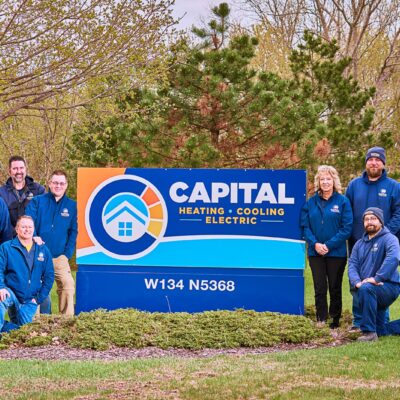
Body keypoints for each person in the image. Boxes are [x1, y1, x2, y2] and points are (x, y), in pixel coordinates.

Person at [346, 146, 400, 328]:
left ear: (383, 164)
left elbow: (399, 212)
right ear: (366, 162)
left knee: (379, 280)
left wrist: (385, 233)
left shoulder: (393, 186)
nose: (374, 162)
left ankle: (380, 321)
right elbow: (347, 212)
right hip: (358, 243)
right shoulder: (354, 185)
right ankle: (358, 320)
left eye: (378, 160)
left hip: (383, 243)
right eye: (371, 159)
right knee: (358, 281)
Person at [301, 165, 353, 328]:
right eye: (322, 179)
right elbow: (305, 226)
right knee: (319, 287)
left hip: (336, 253)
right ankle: (321, 318)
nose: (325, 182)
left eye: (328, 179)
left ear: (334, 181)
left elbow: (347, 228)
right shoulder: (311, 202)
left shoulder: (343, 201)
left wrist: (328, 245)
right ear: (318, 181)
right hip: (315, 252)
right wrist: (315, 243)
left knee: (335, 287)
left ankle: (335, 320)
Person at [26, 170, 77, 316]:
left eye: (61, 183)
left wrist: (67, 254)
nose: (58, 185)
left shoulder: (72, 206)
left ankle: (66, 323)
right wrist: (34, 236)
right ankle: (32, 324)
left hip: (59, 258)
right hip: (37, 255)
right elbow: (28, 222)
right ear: (49, 183)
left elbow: (73, 232)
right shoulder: (37, 201)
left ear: (66, 185)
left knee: (68, 285)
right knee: (35, 287)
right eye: (55, 182)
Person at [348, 207, 400, 341]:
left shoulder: (390, 239)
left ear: (381, 222)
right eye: (366, 219)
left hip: (388, 286)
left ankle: (369, 333)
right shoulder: (359, 244)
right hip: (368, 289)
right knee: (381, 329)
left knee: (366, 288)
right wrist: (356, 282)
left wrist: (377, 278)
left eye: (373, 218)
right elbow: (352, 264)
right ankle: (376, 330)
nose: (369, 222)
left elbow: (393, 258)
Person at [0, 216, 54, 333]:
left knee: (23, 332)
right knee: (0, 298)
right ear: (17, 229)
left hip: (30, 299)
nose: (27, 230)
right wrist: (1, 287)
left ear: (34, 229)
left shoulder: (42, 250)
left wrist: (37, 299)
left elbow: (49, 277)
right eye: (23, 227)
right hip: (11, 292)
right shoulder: (6, 247)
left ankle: (6, 330)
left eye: (30, 227)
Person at [0, 156, 45, 230]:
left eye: (21, 168)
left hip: (33, 238)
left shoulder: (38, 190)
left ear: (25, 169)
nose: (19, 171)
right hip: (10, 239)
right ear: (9, 171)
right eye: (15, 168)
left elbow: (44, 217)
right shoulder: (1, 193)